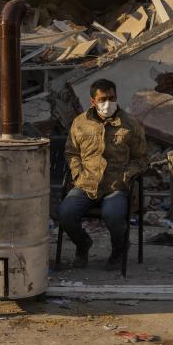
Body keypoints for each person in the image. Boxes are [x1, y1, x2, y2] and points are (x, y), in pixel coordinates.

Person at [58, 78, 148, 270]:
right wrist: (77, 174)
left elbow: (141, 158)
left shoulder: (130, 124)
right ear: (93, 101)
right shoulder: (80, 123)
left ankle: (118, 250)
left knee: (114, 216)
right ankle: (83, 245)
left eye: (112, 98)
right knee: (65, 213)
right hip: (86, 184)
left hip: (116, 186)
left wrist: (128, 174)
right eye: (103, 99)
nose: (108, 103)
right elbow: (72, 152)